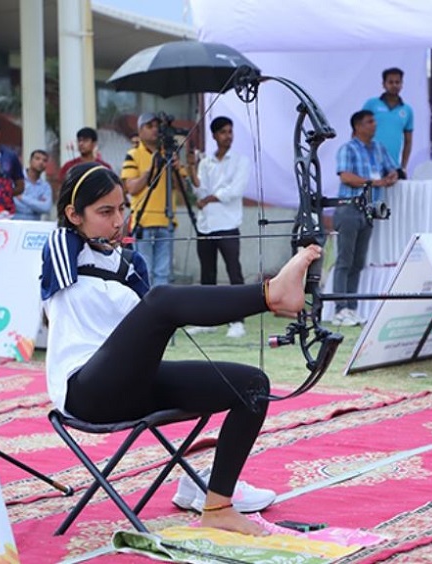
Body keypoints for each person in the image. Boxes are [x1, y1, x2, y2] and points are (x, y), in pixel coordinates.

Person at [41, 162, 322, 535]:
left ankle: (218, 504)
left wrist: (125, 264)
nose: (118, 221)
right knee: (160, 300)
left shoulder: (130, 264)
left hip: (134, 385)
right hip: (86, 391)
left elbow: (157, 321)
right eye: (104, 212)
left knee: (253, 384)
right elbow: (155, 306)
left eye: (122, 209)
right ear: (73, 215)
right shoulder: (62, 246)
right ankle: (271, 295)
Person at [333, 109, 398, 327]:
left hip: (368, 210)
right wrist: (374, 183)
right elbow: (346, 177)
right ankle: (339, 308)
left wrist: (391, 176)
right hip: (349, 207)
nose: (374, 125)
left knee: (358, 262)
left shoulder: (378, 148)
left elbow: (392, 169)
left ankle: (351, 308)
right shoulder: (347, 149)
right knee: (344, 260)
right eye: (369, 122)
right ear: (358, 126)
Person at [187, 116, 250, 339]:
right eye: (223, 132)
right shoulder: (205, 162)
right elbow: (199, 191)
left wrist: (209, 199)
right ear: (214, 135)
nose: (228, 136)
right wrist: (192, 169)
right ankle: (208, 320)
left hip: (228, 223)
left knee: (234, 272)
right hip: (206, 225)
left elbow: (234, 190)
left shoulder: (240, 160)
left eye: (230, 131)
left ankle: (238, 320)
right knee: (207, 274)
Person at [121, 112, 180, 286]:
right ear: (140, 130)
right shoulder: (133, 154)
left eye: (157, 126)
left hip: (166, 220)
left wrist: (175, 168)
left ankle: (161, 310)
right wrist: (150, 170)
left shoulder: (169, 154)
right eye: (149, 126)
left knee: (163, 273)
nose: (155, 130)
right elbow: (131, 188)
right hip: (143, 221)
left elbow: (179, 186)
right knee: (144, 272)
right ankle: (147, 310)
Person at [362, 67, 414, 179]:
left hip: (393, 166)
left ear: (402, 84)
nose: (394, 85)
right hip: (371, 163)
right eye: (390, 82)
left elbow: (408, 141)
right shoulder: (372, 104)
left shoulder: (407, 110)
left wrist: (403, 166)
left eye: (397, 82)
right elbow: (358, 131)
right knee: (371, 195)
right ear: (384, 84)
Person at [14, 149, 52, 220]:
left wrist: (22, 198)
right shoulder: (16, 179)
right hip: (15, 221)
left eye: (44, 160)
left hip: (34, 225)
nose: (41, 162)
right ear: (30, 161)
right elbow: (13, 203)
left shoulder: (45, 186)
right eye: (37, 159)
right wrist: (37, 207)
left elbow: (46, 208)